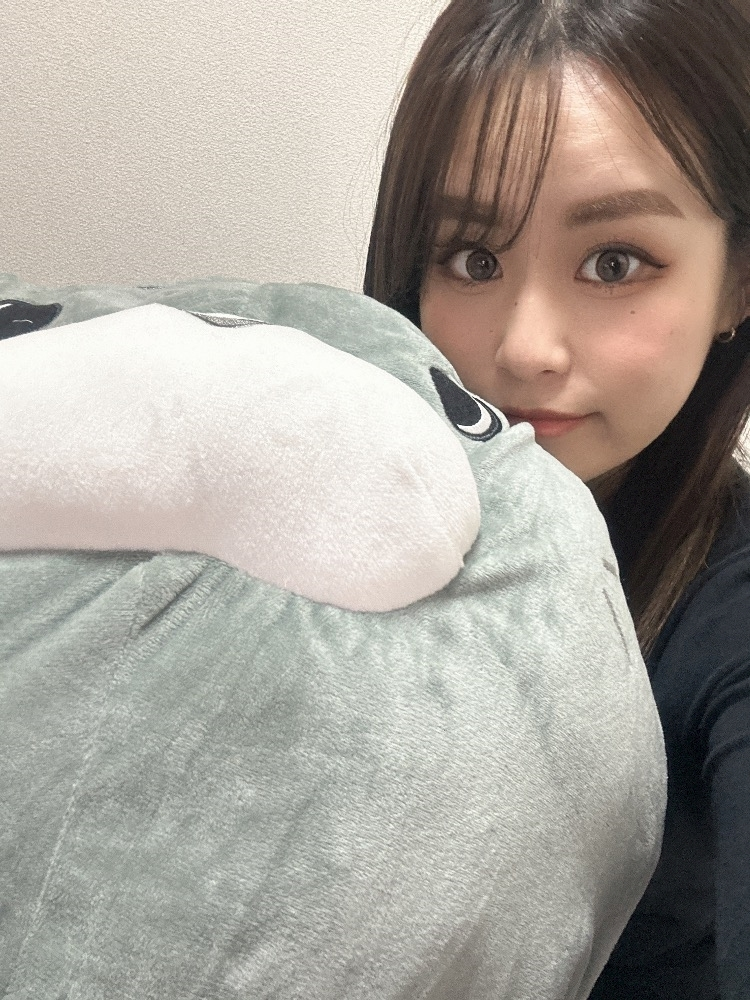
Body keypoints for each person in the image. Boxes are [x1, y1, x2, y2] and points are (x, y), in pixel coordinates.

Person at [364, 1, 750, 997]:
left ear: (736, 282)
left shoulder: (726, 611)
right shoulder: (334, 511)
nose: (525, 347)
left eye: (614, 263)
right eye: (474, 258)